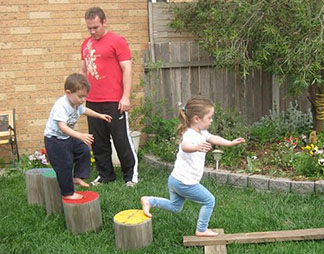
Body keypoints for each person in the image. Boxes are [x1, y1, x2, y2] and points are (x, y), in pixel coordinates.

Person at [140, 96, 246, 237]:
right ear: (197, 119)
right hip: (185, 182)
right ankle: (201, 229)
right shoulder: (190, 134)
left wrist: (231, 142)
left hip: (176, 179)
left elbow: (214, 138)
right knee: (209, 200)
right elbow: (185, 146)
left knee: (175, 207)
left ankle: (149, 200)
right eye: (209, 117)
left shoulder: (201, 132)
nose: (211, 120)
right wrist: (196, 147)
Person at [81, 7, 139, 187]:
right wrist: (82, 96)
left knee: (121, 139)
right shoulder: (86, 44)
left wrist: (126, 97)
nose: (92, 31)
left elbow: (127, 69)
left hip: (115, 101)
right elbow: (84, 71)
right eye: (89, 28)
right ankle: (105, 175)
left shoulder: (117, 41)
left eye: (96, 27)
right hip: (93, 101)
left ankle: (131, 176)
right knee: (98, 141)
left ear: (104, 22)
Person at [44, 73, 112, 200]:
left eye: (85, 97)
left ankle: (77, 177)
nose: (83, 100)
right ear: (68, 92)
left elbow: (85, 110)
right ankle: (68, 193)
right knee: (64, 165)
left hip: (66, 137)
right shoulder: (61, 106)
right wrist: (80, 135)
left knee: (84, 150)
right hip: (54, 140)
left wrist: (99, 115)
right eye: (80, 97)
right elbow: (62, 127)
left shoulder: (76, 103)